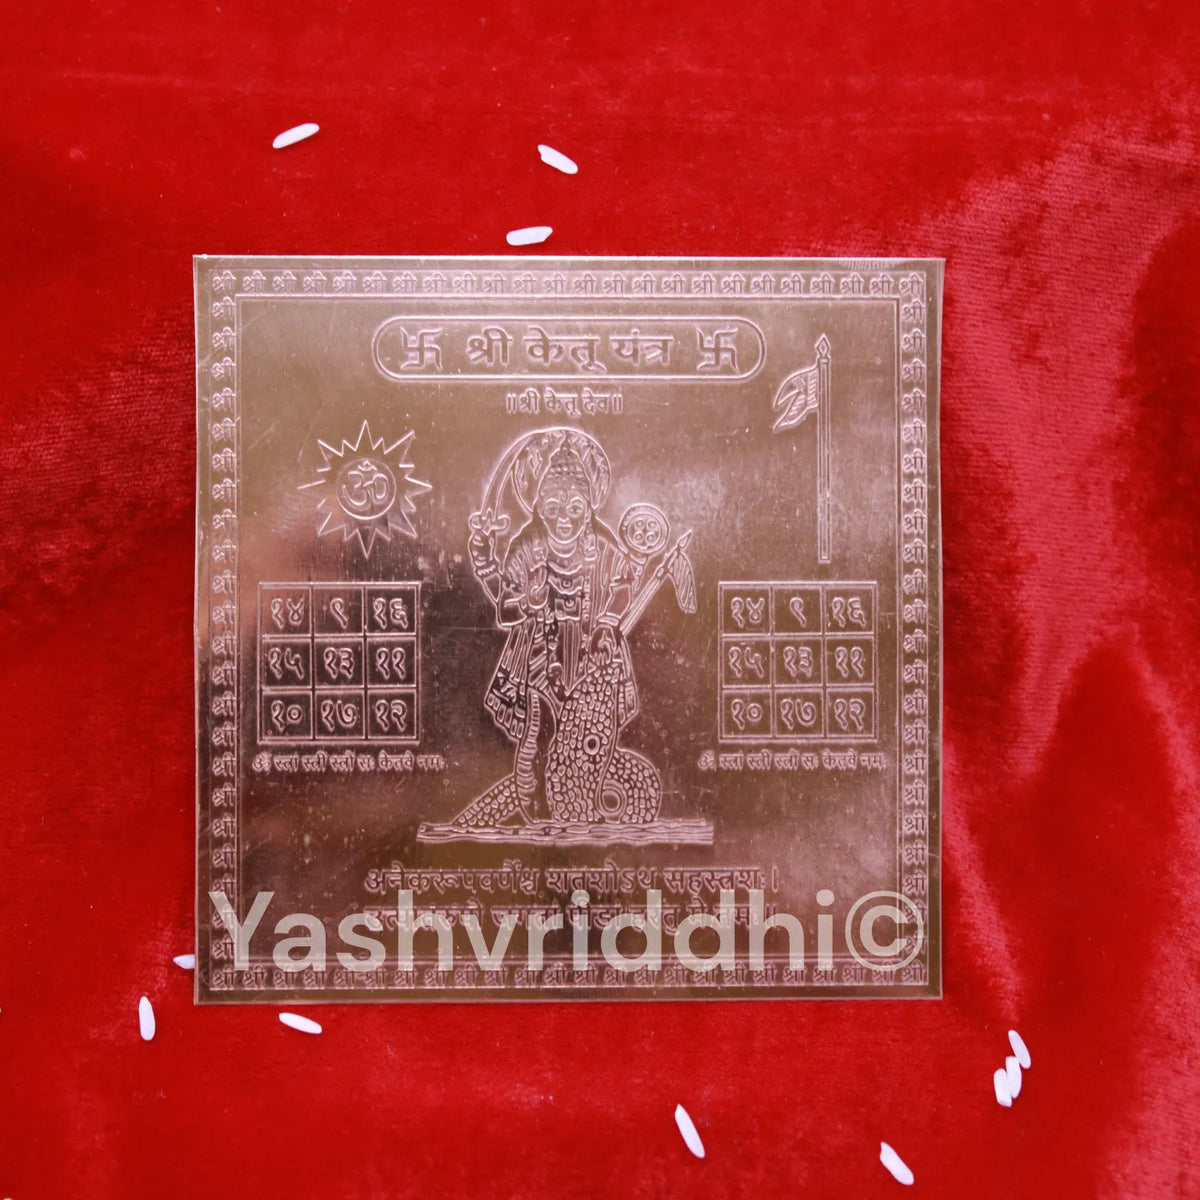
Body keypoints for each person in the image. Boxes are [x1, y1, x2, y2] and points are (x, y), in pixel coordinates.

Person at [469, 440, 637, 822]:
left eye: (575, 508)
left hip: (593, 661)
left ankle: (581, 806)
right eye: (554, 508)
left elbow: (624, 588)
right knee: (540, 734)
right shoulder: (527, 549)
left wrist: (607, 623)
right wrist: (527, 603)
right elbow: (505, 609)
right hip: (542, 660)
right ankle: (541, 812)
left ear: (589, 509)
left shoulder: (603, 548)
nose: (565, 519)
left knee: (592, 740)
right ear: (539, 508)